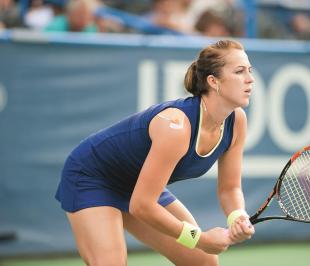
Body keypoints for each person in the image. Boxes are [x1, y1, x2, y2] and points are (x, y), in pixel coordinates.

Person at [55, 39, 255, 265]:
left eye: (249, 70)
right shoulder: (176, 126)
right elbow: (142, 205)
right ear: (213, 81)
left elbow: (230, 188)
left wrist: (237, 216)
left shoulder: (237, 121)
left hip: (140, 185)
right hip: (93, 176)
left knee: (204, 262)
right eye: (239, 71)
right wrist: (198, 238)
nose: (250, 79)